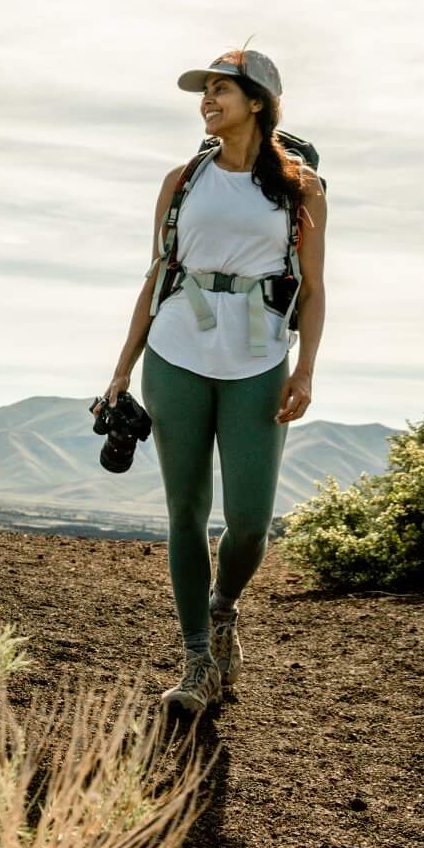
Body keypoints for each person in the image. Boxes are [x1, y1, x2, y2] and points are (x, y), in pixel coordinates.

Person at [101, 41, 327, 720]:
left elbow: (314, 289)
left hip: (258, 360)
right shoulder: (181, 182)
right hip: (175, 353)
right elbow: (155, 276)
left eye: (221, 91)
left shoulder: (300, 188)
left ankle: (223, 606)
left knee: (252, 523)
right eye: (204, 91)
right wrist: (120, 370)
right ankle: (198, 660)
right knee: (185, 513)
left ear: (256, 102)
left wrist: (307, 368)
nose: (207, 100)